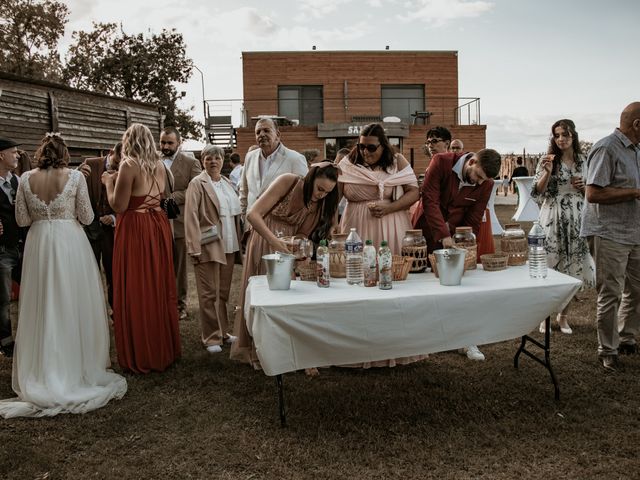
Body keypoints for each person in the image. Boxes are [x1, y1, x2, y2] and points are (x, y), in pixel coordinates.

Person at [0, 133, 126, 418]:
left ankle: (43, 368)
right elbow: (87, 217)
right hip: (70, 243)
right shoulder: (75, 177)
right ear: (64, 154)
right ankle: (73, 365)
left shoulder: (25, 178)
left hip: (39, 244)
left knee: (42, 304)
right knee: (70, 302)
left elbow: (21, 220)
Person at [231, 162, 340, 367]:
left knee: (287, 300)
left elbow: (302, 233)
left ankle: (285, 350)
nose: (321, 195)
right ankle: (258, 352)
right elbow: (253, 214)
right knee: (264, 298)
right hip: (265, 237)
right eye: (319, 189)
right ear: (310, 179)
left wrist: (298, 246)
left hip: (288, 248)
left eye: (327, 192)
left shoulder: (320, 203)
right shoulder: (288, 182)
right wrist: (275, 242)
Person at [103, 123, 181, 374]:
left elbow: (119, 205)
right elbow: (162, 200)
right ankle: (162, 347)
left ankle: (143, 351)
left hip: (136, 227)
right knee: (156, 285)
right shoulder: (160, 166)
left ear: (129, 141)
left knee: (137, 285)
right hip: (156, 225)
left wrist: (108, 182)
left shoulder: (129, 165)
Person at [421, 148, 502, 361]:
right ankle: (424, 340)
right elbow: (429, 199)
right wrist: (443, 235)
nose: (478, 182)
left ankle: (466, 340)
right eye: (477, 175)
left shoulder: (486, 184)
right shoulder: (440, 162)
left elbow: (474, 218)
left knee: (462, 288)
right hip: (426, 230)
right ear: (472, 161)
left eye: (483, 180)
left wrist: (465, 243)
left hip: (457, 236)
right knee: (423, 286)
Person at [580, 102, 640, 372]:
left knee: (636, 290)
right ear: (636, 124)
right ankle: (608, 349)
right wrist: (635, 192)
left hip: (635, 231)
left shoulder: (636, 151)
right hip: (608, 232)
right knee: (610, 293)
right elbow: (593, 193)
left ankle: (627, 338)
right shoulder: (606, 148)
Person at [532, 119, 595, 334]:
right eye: (557, 135)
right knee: (550, 264)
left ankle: (564, 317)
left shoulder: (583, 160)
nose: (561, 139)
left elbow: (592, 193)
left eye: (565, 135)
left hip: (577, 216)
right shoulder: (547, 159)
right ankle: (545, 318)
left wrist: (584, 187)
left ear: (573, 136)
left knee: (573, 265)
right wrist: (547, 172)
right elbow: (536, 192)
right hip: (552, 215)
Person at [185, 145, 242, 354]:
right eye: (208, 158)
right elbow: (190, 215)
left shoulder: (227, 183)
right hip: (207, 244)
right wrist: (193, 246)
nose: (213, 161)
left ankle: (223, 332)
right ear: (203, 161)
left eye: (217, 158)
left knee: (223, 293)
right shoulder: (197, 183)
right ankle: (210, 338)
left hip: (228, 244)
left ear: (222, 161)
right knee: (208, 293)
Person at [338, 123, 419, 254]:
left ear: (383, 146)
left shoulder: (397, 162)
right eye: (361, 146)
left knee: (391, 267)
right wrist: (331, 224)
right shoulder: (347, 164)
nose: (365, 152)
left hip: (391, 225)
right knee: (356, 267)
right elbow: (334, 197)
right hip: (355, 226)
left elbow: (414, 193)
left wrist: (389, 208)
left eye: (371, 148)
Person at [160, 126, 202, 320]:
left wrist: (172, 197)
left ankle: (180, 305)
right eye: (163, 142)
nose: (166, 146)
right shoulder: (154, 161)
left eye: (170, 142)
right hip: (156, 221)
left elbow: (196, 190)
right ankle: (162, 303)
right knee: (159, 265)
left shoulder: (191, 163)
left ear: (179, 142)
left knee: (179, 267)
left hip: (178, 222)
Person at [239, 118, 308, 226]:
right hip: (251, 226)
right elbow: (244, 191)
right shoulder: (250, 157)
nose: (261, 134)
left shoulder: (295, 159)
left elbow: (305, 196)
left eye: (266, 130)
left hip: (280, 228)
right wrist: (243, 217)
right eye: (258, 132)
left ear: (278, 134)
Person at [78, 143, 122, 308]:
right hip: (89, 230)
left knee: (113, 274)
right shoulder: (90, 163)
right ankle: (93, 311)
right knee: (89, 274)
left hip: (112, 232)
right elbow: (75, 189)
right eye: (119, 159)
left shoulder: (126, 170)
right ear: (111, 152)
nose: (121, 164)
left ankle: (115, 311)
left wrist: (114, 217)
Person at [0, 137, 24, 358]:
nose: (17, 155)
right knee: (4, 298)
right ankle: (6, 342)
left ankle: (31, 334)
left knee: (32, 290)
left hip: (23, 247)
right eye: (14, 152)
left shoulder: (18, 181)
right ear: (1, 155)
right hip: (2, 251)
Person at [411, 126, 452, 229]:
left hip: (440, 215)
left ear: (447, 143)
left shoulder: (451, 164)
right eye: (428, 142)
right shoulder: (434, 162)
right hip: (426, 212)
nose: (430, 145)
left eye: (434, 141)